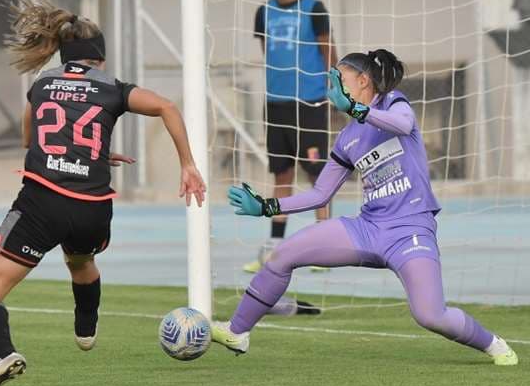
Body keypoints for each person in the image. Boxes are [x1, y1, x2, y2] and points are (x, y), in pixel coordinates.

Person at [0, 0, 207, 386]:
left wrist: (69, 148)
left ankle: (3, 355)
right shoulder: (113, 88)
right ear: (99, 56)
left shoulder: (40, 85)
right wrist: (187, 164)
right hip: (94, 207)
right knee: (80, 261)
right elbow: (167, 106)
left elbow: (30, 141)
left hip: (41, 203)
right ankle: (86, 326)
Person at [212, 49, 518, 366]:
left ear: (363, 80)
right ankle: (238, 331)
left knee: (430, 315)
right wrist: (266, 205)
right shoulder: (346, 138)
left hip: (410, 230)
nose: (333, 90)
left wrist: (357, 109)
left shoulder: (394, 102)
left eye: (339, 81)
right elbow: (319, 194)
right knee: (282, 256)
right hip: (367, 230)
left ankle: (494, 344)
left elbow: (402, 125)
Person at [244, 0, 339, 274]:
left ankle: (325, 248)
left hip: (310, 102)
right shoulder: (264, 12)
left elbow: (329, 49)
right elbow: (266, 52)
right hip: (276, 104)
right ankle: (273, 246)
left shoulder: (314, 8)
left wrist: (336, 87)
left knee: (317, 174)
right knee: (281, 175)